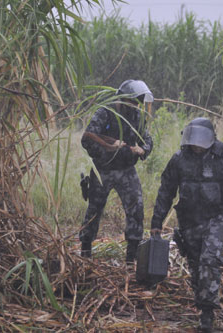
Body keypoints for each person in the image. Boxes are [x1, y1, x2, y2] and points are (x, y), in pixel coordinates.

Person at [149, 117, 223, 332]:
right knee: (196, 266)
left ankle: (207, 316)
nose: (196, 146)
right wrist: (156, 221)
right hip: (188, 220)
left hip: (216, 218)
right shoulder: (179, 159)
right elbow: (166, 191)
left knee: (210, 260)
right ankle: (202, 306)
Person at [79, 80, 154, 262]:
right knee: (94, 210)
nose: (135, 105)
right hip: (102, 170)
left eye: (138, 102)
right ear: (122, 98)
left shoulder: (137, 116)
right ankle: (86, 252)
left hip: (127, 170)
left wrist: (143, 150)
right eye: (133, 101)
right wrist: (110, 147)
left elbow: (147, 139)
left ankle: (131, 257)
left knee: (136, 208)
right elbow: (87, 139)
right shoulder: (105, 113)